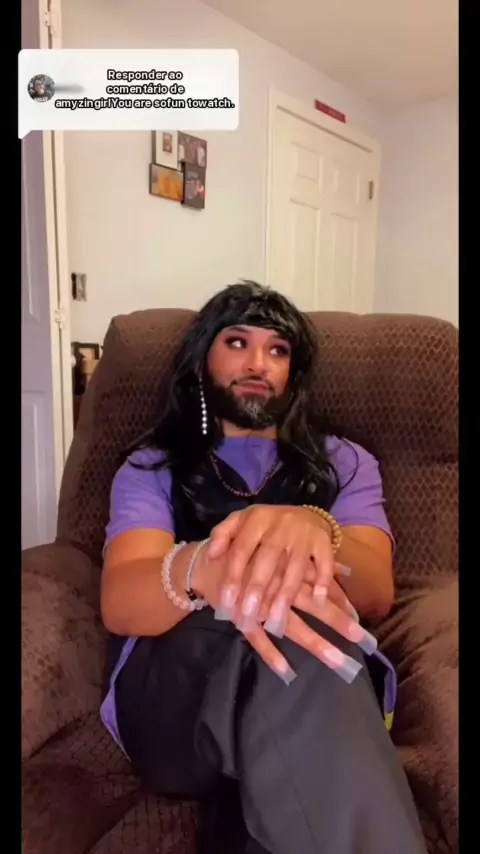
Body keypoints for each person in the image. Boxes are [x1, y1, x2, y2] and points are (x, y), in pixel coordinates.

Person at [100, 282, 428, 854]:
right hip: (178, 705)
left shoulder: (345, 462)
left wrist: (315, 527)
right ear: (201, 362)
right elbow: (122, 601)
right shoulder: (153, 465)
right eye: (237, 342)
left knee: (305, 636)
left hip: (321, 690)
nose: (258, 362)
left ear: (293, 373)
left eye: (278, 349)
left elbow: (375, 591)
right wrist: (207, 568)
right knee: (296, 628)